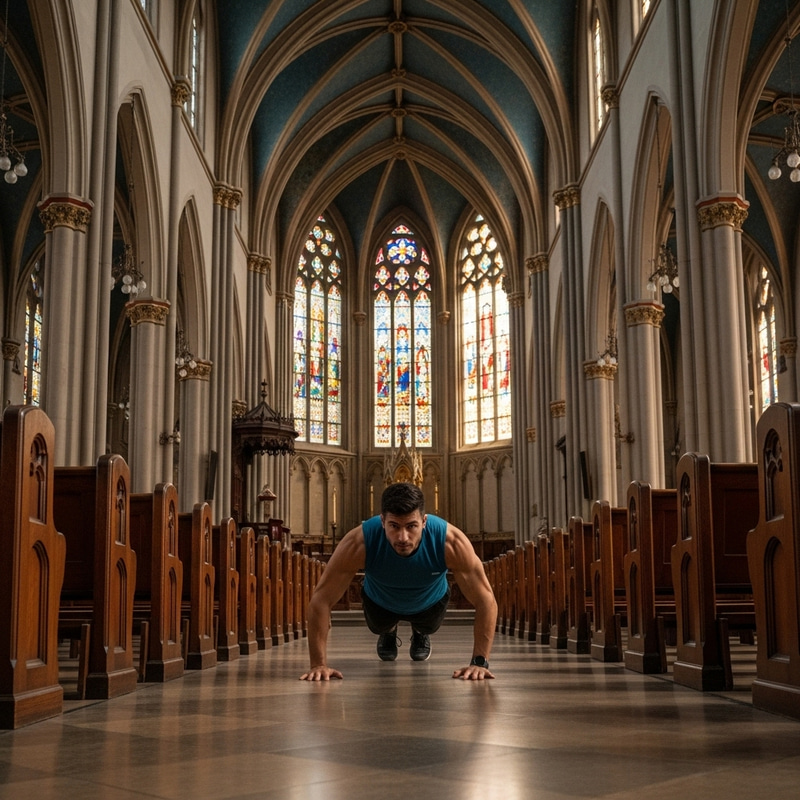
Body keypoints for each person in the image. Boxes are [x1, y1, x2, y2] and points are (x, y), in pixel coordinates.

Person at [300, 482, 497, 681]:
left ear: (424, 521)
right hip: (380, 601)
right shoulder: (359, 542)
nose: (403, 537)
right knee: (379, 626)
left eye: (411, 526)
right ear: (382, 520)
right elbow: (321, 599)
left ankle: (420, 632)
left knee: (429, 626)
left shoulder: (450, 542)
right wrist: (318, 665)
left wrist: (479, 663)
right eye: (394, 526)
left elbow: (485, 599)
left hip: (430, 602)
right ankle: (389, 631)